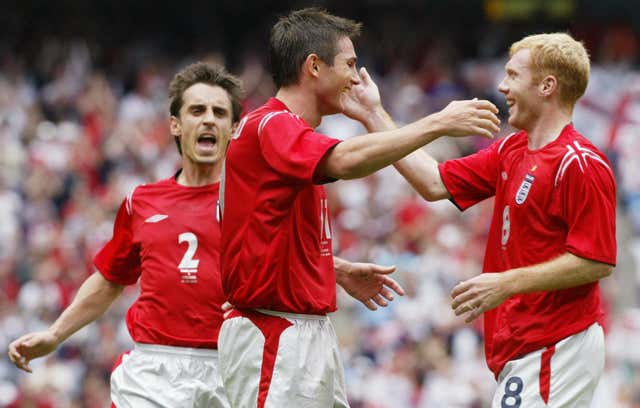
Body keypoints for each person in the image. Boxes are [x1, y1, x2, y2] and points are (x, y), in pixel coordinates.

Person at [7, 61, 406, 408]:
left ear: (234, 128)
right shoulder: (142, 201)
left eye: (220, 112)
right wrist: (55, 334)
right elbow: (111, 277)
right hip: (155, 367)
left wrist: (334, 270)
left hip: (232, 364)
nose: (209, 119)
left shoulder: (258, 196)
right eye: (197, 110)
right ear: (176, 124)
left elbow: (276, 259)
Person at [218, 7, 501, 408]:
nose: (355, 77)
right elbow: (346, 161)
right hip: (273, 333)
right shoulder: (271, 124)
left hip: (298, 330)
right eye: (350, 64)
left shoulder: (285, 134)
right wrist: (436, 122)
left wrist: (333, 269)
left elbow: (257, 235)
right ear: (314, 66)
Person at [393, 33, 616, 407]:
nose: (502, 86)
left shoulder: (579, 163)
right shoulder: (513, 149)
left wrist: (506, 284)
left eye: (513, 75)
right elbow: (433, 182)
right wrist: (370, 113)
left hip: (555, 345)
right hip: (526, 347)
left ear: (547, 86)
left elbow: (597, 260)